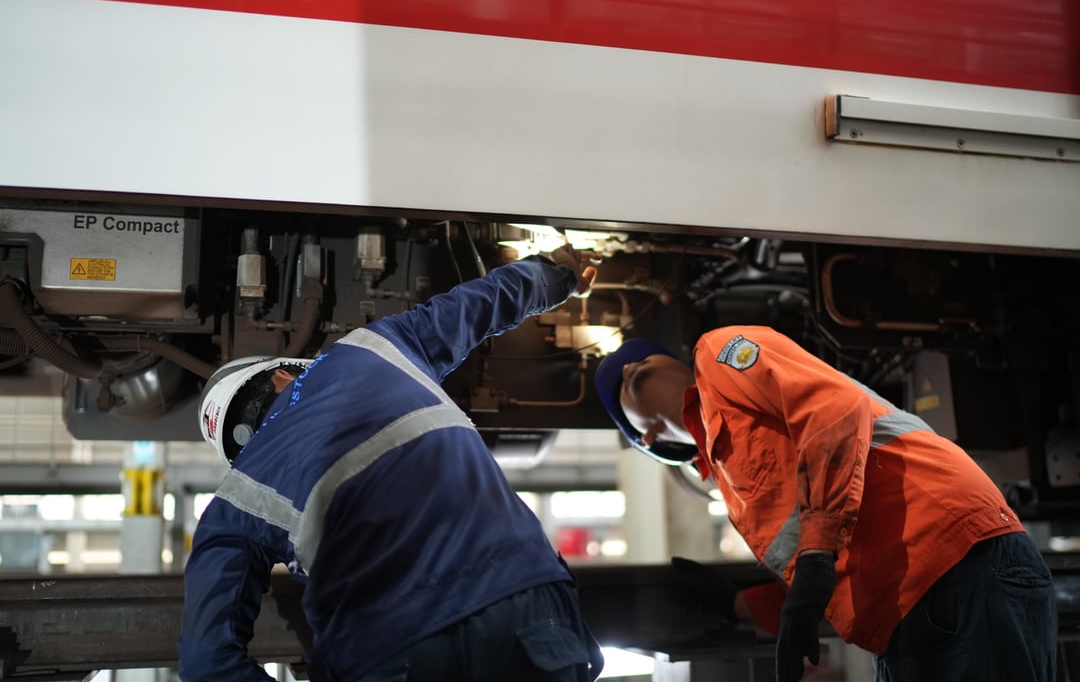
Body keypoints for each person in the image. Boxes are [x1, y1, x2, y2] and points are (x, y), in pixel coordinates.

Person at [178, 244, 605, 682]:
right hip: (524, 605)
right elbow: (486, 301)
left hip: (386, 652)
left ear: (240, 454)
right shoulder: (374, 347)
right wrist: (559, 273)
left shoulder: (236, 499)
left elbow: (206, 663)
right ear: (282, 374)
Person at [595, 325, 1057, 682]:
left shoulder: (717, 355)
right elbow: (822, 567)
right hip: (909, 605)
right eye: (623, 384)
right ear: (646, 439)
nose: (632, 365)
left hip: (952, 562)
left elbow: (831, 410)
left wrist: (816, 558)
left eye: (642, 360)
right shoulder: (732, 480)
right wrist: (742, 605)